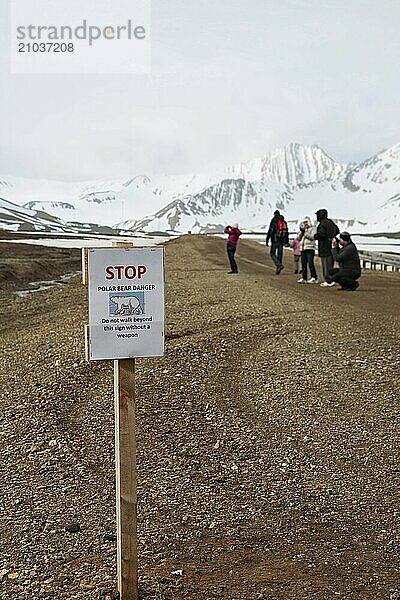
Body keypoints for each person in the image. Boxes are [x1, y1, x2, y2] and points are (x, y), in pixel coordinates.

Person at [314, 209, 340, 286]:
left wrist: (316, 236)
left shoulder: (322, 224)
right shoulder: (331, 222)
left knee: (325, 264)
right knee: (330, 264)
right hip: (331, 246)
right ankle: (331, 279)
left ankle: (329, 280)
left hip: (324, 246)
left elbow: (321, 234)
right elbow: (337, 230)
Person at [297, 217, 318, 284]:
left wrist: (305, 233)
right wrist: (301, 232)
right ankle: (304, 277)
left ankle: (314, 277)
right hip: (303, 248)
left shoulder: (313, 228)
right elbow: (298, 239)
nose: (305, 224)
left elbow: (313, 237)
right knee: (303, 264)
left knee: (310, 263)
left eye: (306, 222)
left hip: (310, 248)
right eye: (304, 222)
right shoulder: (303, 230)